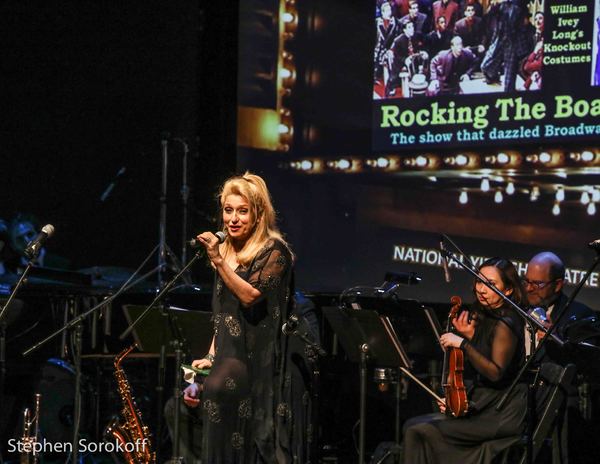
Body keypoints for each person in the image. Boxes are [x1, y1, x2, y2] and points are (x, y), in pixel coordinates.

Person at [184, 172, 305, 464]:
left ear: (258, 214)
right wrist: (210, 356)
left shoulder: (274, 253)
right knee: (183, 401)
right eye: (228, 211)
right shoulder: (226, 253)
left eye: (242, 211)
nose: (233, 219)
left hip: (261, 362)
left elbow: (249, 296)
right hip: (229, 356)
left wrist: (217, 260)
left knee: (215, 389)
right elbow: (225, 316)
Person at [402, 257, 527, 464]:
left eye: (491, 284)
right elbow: (481, 360)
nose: (482, 289)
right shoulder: (488, 316)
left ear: (508, 291)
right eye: (479, 281)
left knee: (417, 431)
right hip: (484, 405)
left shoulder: (507, 322)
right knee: (413, 427)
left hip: (500, 414)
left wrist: (464, 344)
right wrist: (456, 401)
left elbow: (495, 373)